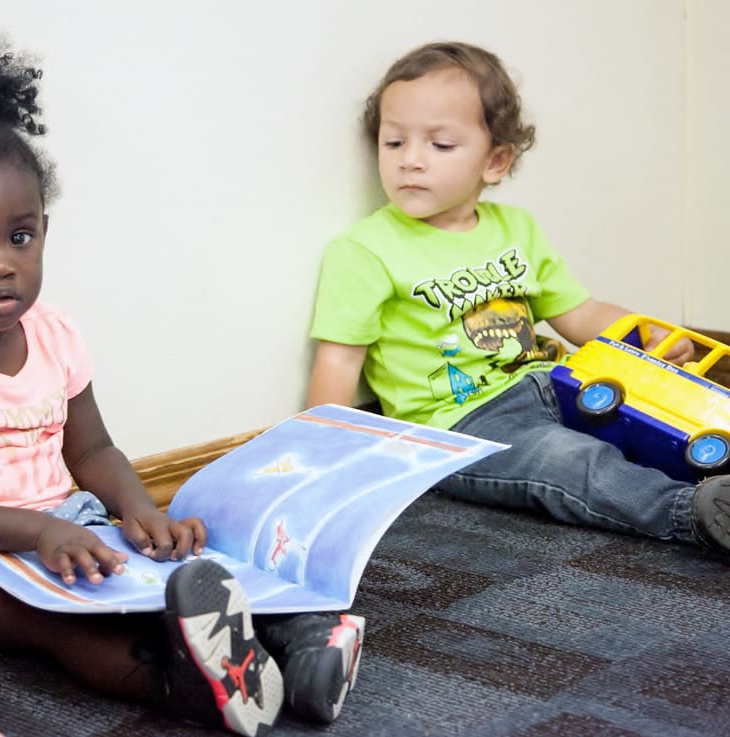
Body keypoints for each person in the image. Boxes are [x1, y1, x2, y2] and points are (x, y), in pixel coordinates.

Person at [0, 18, 363, 737]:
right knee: (55, 623)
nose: (0, 260)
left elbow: (91, 450)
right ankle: (188, 686)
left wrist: (137, 509)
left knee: (176, 567)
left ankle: (303, 647)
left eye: (20, 234)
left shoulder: (56, 331)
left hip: (60, 525)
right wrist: (36, 532)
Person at [306, 40, 730, 555]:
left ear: (496, 161)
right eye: (393, 143)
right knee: (571, 463)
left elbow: (578, 312)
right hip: (462, 427)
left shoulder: (516, 229)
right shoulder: (365, 250)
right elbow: (339, 358)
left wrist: (647, 335)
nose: (411, 161)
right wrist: (321, 456)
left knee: (669, 417)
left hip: (555, 382)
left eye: (439, 146)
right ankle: (691, 514)